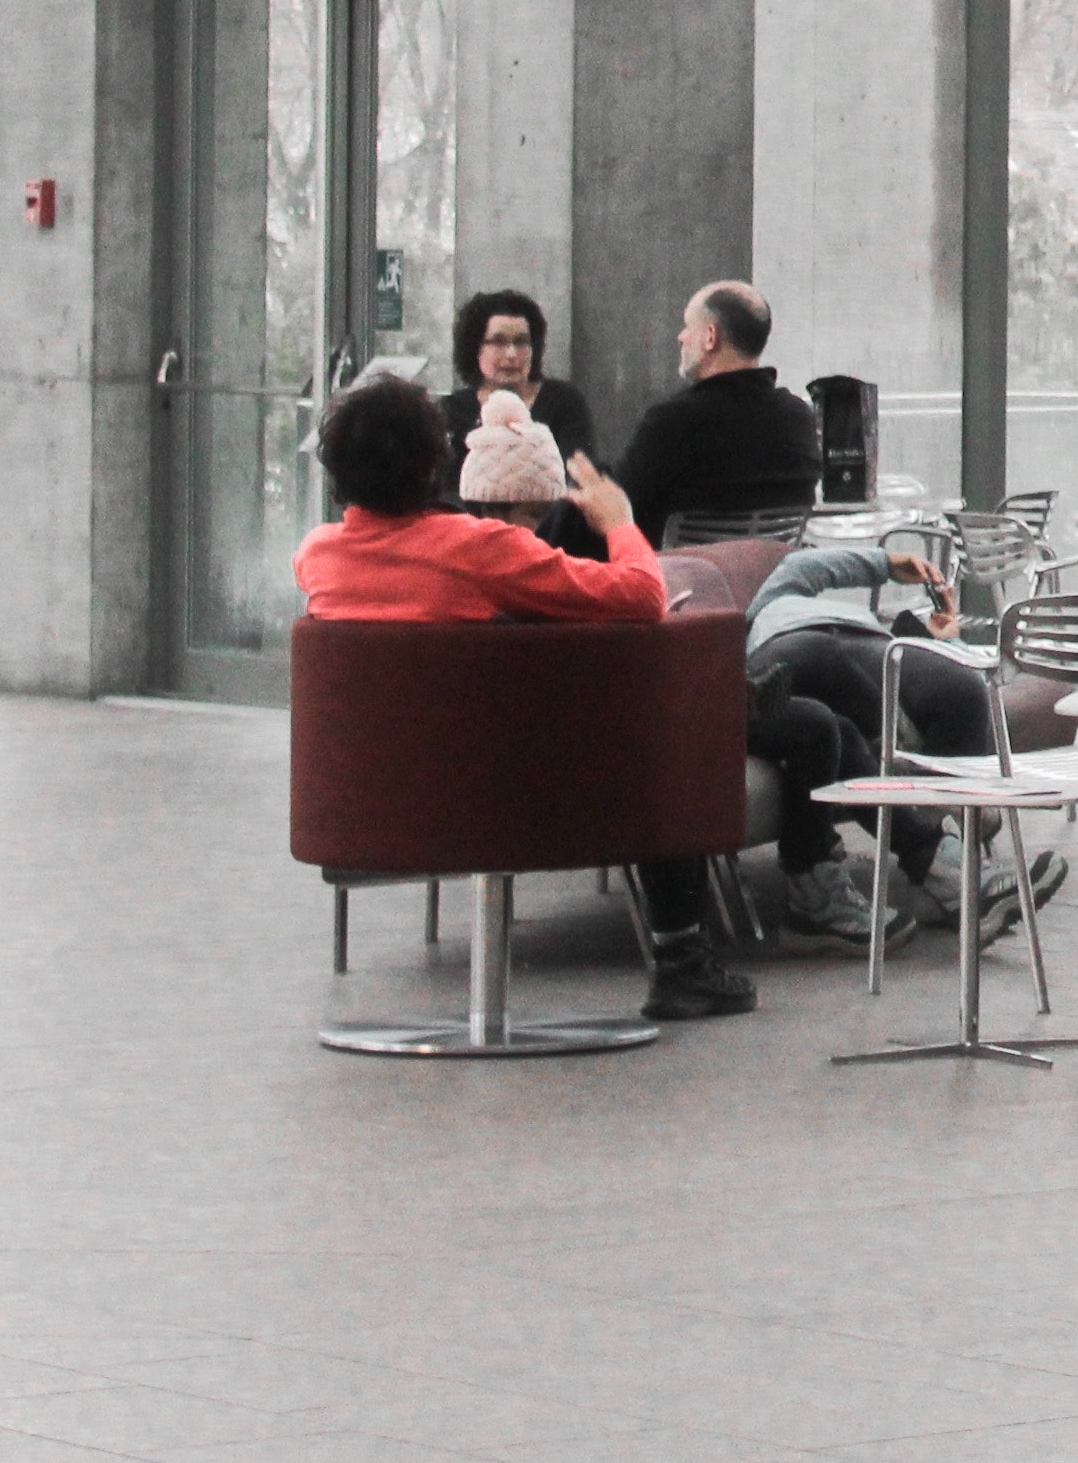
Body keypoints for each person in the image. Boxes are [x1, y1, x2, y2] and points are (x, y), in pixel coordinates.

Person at [290, 372, 794, 1023]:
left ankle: (739, 701)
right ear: (433, 463)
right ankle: (681, 962)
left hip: (374, 801)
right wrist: (619, 522)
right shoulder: (478, 549)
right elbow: (640, 596)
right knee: (657, 730)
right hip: (508, 797)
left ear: (336, 475)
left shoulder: (317, 557)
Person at [737, 533, 1060, 944]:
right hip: (791, 651)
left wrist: (948, 639)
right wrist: (886, 563)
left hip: (880, 649)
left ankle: (951, 876)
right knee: (828, 664)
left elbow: (953, 663)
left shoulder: (873, 628)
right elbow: (803, 567)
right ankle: (944, 858)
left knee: (963, 690)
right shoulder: (770, 610)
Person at [614, 280, 824, 538]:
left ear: (710, 337)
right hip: (771, 576)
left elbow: (616, 508)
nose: (680, 337)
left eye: (688, 326)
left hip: (680, 576)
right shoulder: (798, 418)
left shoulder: (672, 421)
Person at [436, 291, 603, 506]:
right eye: (498, 342)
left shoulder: (563, 402)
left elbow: (577, 475)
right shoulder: (452, 411)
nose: (512, 354)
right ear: (475, 349)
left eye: (522, 342)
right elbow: (444, 490)